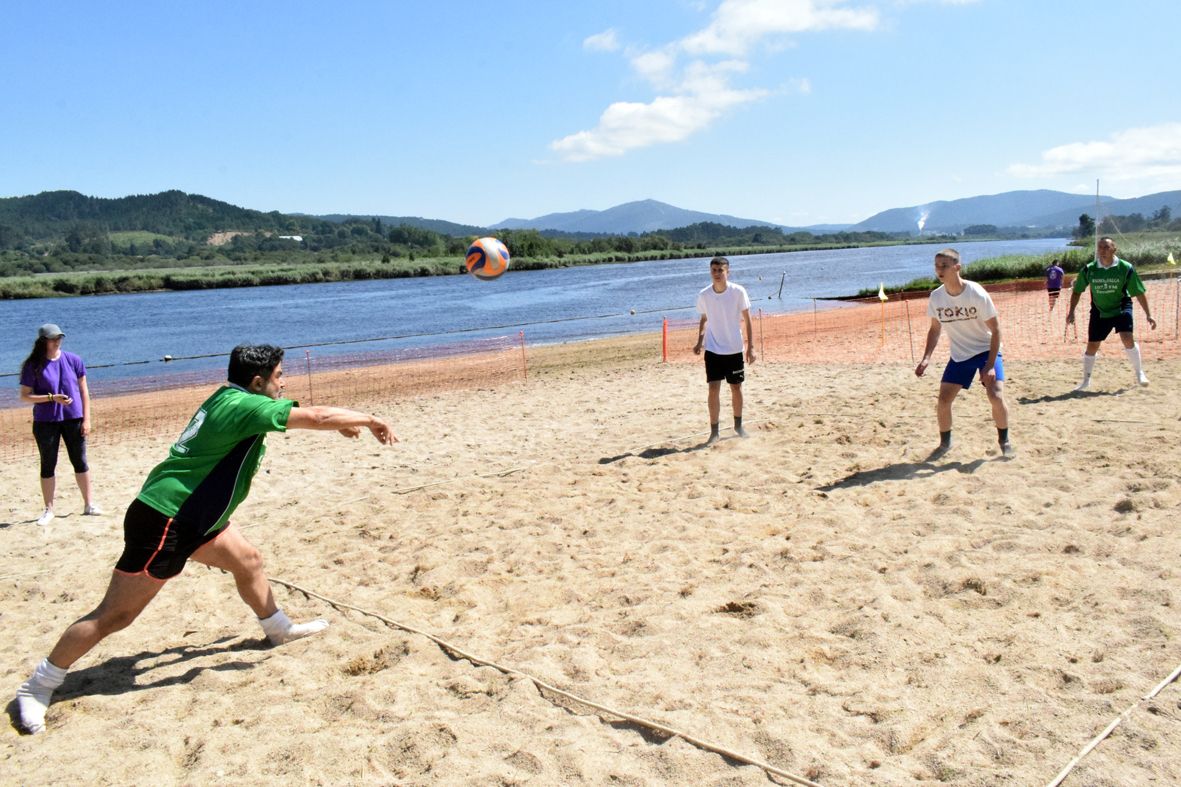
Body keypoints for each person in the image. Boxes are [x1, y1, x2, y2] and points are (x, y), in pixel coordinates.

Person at [15, 344, 396, 735]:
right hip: (169, 518)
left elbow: (302, 414)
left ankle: (278, 629)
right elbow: (314, 416)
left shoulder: (232, 395)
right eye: (280, 376)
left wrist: (342, 422)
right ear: (258, 381)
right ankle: (38, 686)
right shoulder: (244, 406)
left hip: (197, 516)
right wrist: (368, 419)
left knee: (247, 560)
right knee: (115, 615)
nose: (285, 382)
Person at [914, 248, 1013, 458]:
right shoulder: (936, 297)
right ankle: (945, 444)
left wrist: (989, 365)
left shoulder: (975, 293)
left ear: (957, 267)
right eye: (936, 265)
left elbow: (996, 330)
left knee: (995, 395)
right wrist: (926, 358)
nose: (939, 270)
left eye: (944, 265)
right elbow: (934, 329)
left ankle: (1004, 441)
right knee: (943, 401)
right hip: (960, 355)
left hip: (987, 350)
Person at [18, 323, 101, 525]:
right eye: (53, 338)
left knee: (80, 461)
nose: (57, 341)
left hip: (74, 419)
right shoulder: (33, 365)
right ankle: (49, 509)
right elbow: (25, 396)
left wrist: (86, 419)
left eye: (59, 338)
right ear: (44, 341)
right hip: (46, 422)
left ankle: (88, 504)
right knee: (48, 464)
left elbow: (84, 392)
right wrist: (51, 398)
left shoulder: (74, 360)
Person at [1065, 236, 1156, 390]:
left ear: (1114, 249)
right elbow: (1077, 291)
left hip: (1121, 306)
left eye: (1106, 247)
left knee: (1127, 338)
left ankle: (1139, 372)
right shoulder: (1089, 269)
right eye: (1100, 247)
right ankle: (1086, 381)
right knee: (1092, 346)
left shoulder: (1126, 268)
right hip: (1099, 311)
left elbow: (1139, 292)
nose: (1102, 250)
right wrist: (1071, 312)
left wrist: (1149, 314)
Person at [693, 256, 756, 444]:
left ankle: (738, 425)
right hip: (712, 349)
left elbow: (748, 319)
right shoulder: (704, 295)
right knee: (713, 389)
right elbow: (704, 318)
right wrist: (699, 341)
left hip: (734, 348)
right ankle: (714, 432)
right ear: (710, 272)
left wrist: (751, 346)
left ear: (727, 271)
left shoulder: (738, 292)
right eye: (714, 270)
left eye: (720, 270)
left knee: (736, 387)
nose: (717, 273)